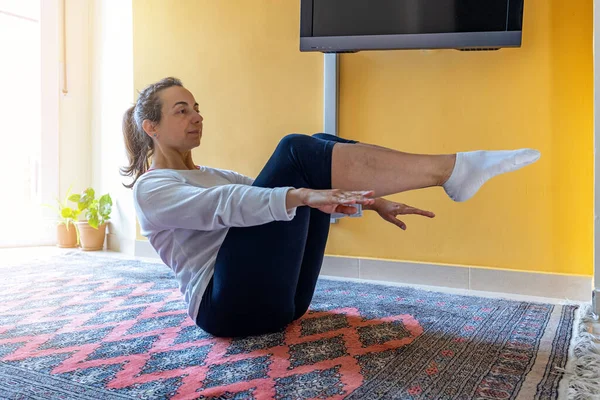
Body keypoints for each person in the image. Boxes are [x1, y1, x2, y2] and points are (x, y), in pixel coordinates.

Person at [122, 77, 540, 338]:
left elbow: (265, 196)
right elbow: (227, 206)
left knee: (313, 147)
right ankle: (450, 168)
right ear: (151, 127)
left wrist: (372, 201)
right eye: (182, 110)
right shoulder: (153, 187)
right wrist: (304, 195)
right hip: (225, 309)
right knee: (296, 153)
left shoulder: (213, 172)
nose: (196, 117)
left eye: (197, 108)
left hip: (286, 303)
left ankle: (451, 171)